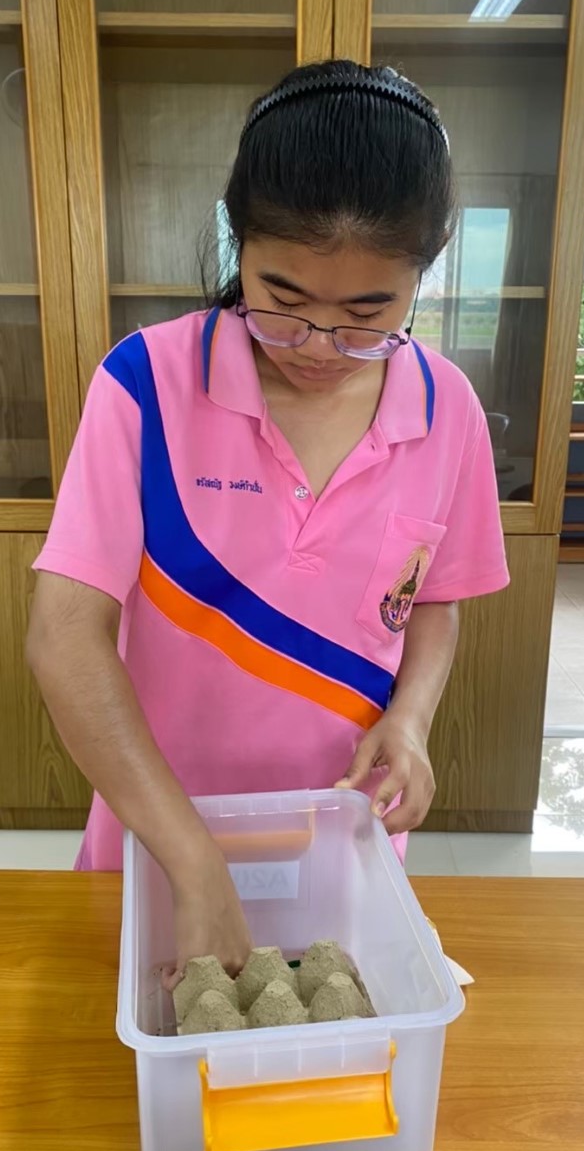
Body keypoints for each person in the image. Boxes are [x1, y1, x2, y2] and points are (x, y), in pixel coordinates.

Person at [26, 59, 509, 985]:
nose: (320, 347)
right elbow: (64, 635)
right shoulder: (146, 385)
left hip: (337, 843)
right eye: (281, 301)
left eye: (369, 315)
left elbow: (436, 601)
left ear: (421, 278)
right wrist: (192, 857)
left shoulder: (445, 408)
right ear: (236, 243)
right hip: (157, 837)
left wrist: (408, 724)